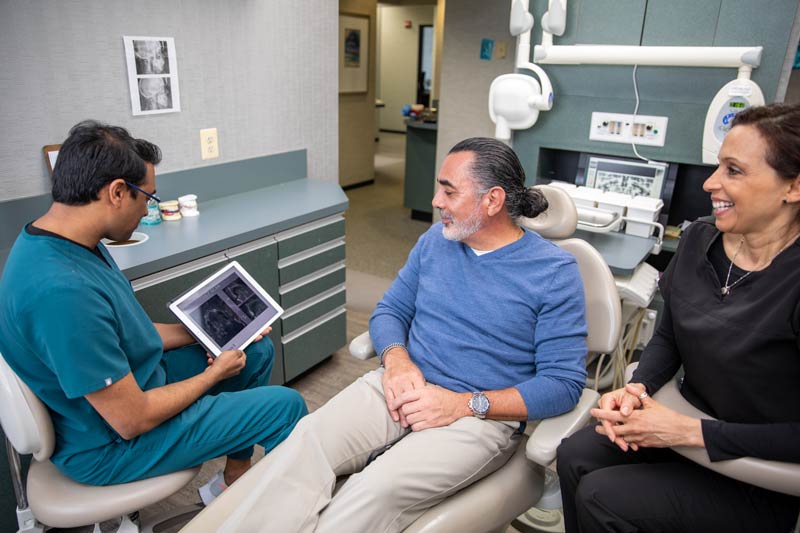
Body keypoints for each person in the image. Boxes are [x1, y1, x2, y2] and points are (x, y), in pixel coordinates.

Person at [209, 137, 588, 532]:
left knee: (374, 489)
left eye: (448, 190)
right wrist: (397, 360)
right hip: (401, 386)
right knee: (307, 439)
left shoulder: (553, 273)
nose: (436, 201)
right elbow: (391, 310)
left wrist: (464, 404)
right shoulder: (435, 242)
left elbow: (563, 385)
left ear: (492, 201)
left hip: (478, 416)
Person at [0, 120, 307, 505]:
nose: (149, 208)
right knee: (285, 407)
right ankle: (280, 513)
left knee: (252, 352)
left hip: (135, 387)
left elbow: (131, 333)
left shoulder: (70, 241)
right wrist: (213, 373)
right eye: (147, 197)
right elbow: (133, 419)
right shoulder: (61, 291)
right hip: (109, 446)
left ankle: (233, 483)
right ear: (116, 192)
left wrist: (211, 330)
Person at [557, 103, 800, 532]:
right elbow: (669, 336)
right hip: (685, 426)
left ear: (793, 187)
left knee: (603, 498)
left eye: (734, 171)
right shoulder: (700, 239)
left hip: (758, 469)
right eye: (717, 167)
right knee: (575, 455)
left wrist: (689, 433)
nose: (710, 182)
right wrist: (637, 387)